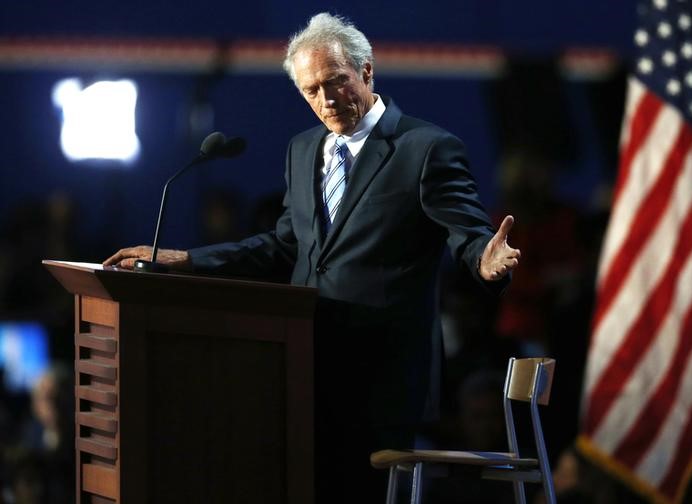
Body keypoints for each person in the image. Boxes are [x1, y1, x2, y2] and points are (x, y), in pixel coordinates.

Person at [104, 12, 520, 502]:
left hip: (380, 378)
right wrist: (190, 260)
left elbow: (468, 235)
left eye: (336, 82)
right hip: (303, 366)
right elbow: (286, 245)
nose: (326, 100)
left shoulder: (425, 149)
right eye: (311, 90)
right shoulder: (303, 150)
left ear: (366, 72)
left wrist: (485, 259)